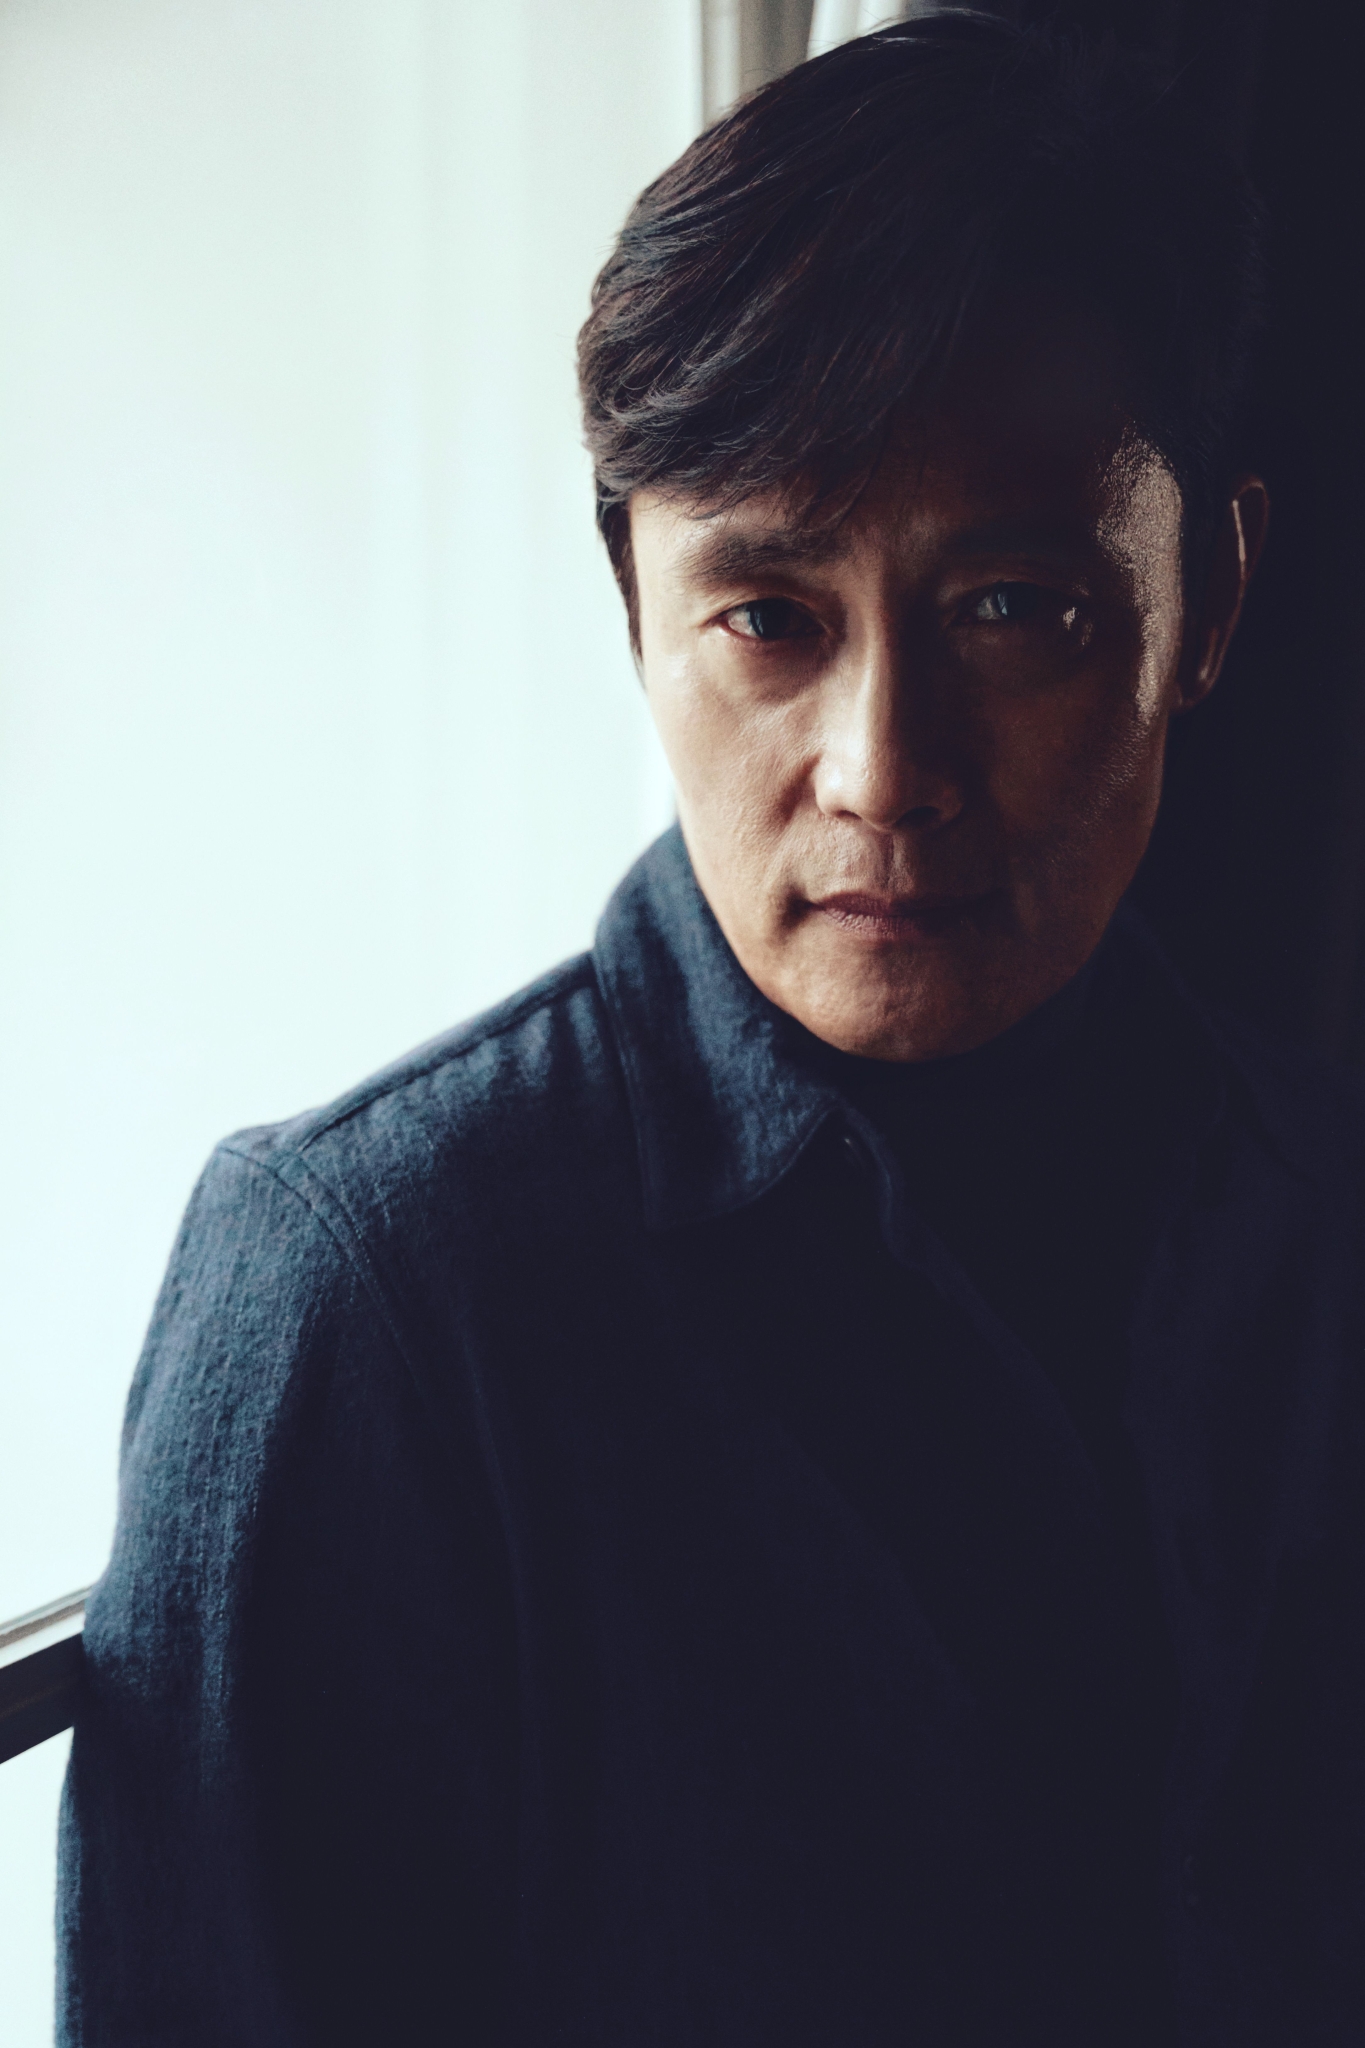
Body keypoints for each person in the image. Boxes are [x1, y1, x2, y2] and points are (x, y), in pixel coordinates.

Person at [57, 17, 1365, 2046]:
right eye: (767, 616)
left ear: (1207, 599)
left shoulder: (1312, 1197)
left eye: (1012, 607)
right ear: (633, 612)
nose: (881, 770)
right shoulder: (380, 1294)